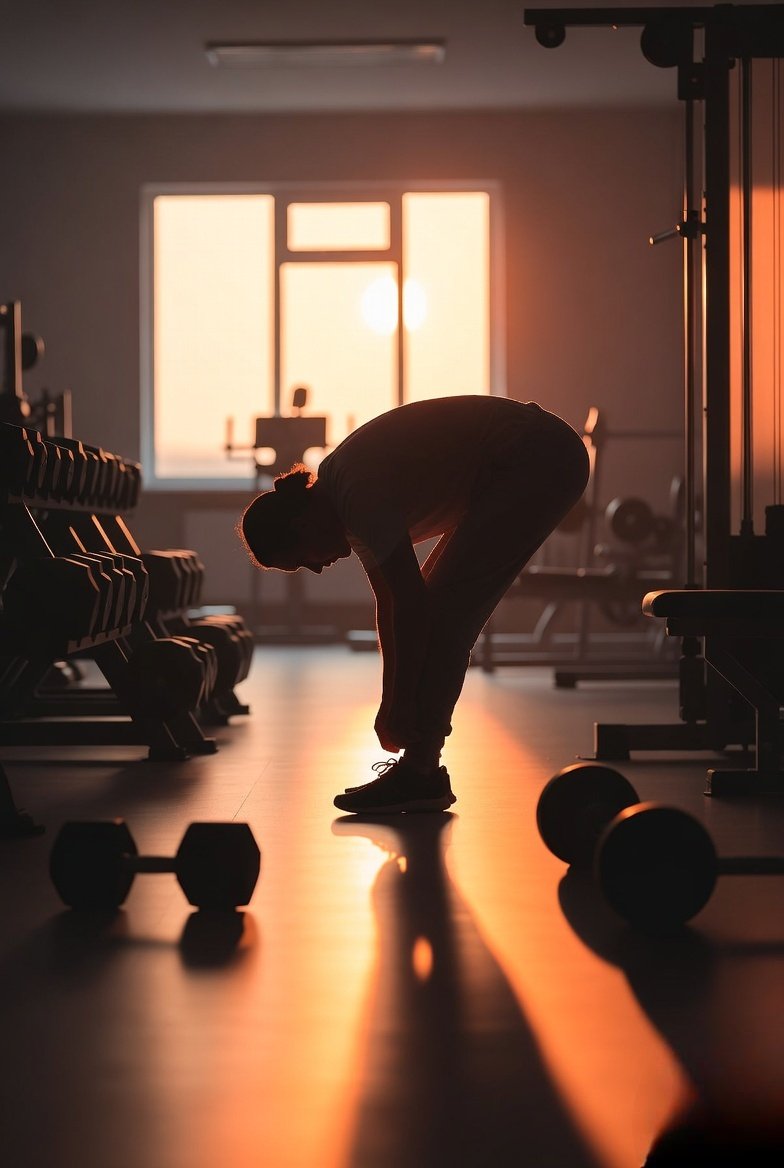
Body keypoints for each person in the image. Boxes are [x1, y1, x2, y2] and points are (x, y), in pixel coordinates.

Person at [240, 395, 589, 814]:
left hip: (537, 457)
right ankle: (420, 770)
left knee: (444, 618)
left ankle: (422, 773)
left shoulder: (356, 494)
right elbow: (390, 602)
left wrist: (400, 703)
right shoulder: (344, 504)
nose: (316, 570)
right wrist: (391, 699)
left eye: (303, 561)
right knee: (433, 604)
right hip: (522, 459)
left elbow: (411, 605)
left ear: (301, 526)